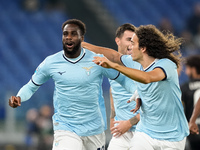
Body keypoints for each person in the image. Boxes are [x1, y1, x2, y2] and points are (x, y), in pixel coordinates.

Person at [8, 19, 135, 150]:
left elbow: (124, 80)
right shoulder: (51, 62)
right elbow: (31, 86)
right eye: (65, 34)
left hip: (94, 129)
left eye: (74, 34)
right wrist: (19, 97)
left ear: (82, 38)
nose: (68, 37)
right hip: (66, 127)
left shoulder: (97, 60)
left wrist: (138, 96)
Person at [82, 24, 189, 150]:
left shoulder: (166, 64)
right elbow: (114, 56)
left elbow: (147, 78)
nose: (129, 46)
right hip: (146, 132)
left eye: (133, 43)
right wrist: (84, 45)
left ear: (143, 48)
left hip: (173, 137)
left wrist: (113, 66)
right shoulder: (134, 63)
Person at [108, 23, 140, 150]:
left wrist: (129, 123)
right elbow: (113, 90)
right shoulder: (111, 65)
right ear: (117, 40)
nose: (131, 44)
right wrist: (112, 117)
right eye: (128, 40)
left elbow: (153, 103)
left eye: (134, 41)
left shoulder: (141, 66)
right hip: (121, 132)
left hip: (143, 131)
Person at [181, 55, 200, 150]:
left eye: (187, 69)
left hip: (192, 131)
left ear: (193, 69)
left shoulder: (184, 88)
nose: (186, 72)